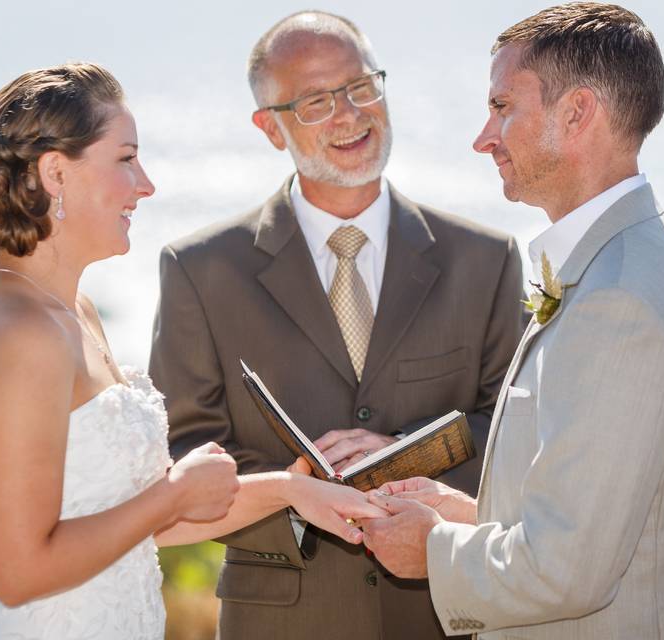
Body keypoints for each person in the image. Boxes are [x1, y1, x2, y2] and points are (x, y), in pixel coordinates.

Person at [0, 62, 384, 640]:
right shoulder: (20, 332)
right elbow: (18, 572)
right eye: (126, 159)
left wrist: (288, 490)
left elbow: (121, 526)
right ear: (56, 173)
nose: (146, 183)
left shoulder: (72, 311)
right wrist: (173, 494)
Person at [148, 11, 525, 640]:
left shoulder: (486, 260)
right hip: (280, 620)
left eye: (360, 86)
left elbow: (516, 435)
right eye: (317, 102)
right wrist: (297, 495)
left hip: (443, 615)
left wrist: (404, 457)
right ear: (270, 128)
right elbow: (181, 454)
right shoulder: (200, 270)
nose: (350, 115)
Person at [361, 4, 664, 638]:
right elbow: (610, 519)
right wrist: (475, 519)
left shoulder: (620, 301)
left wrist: (432, 549)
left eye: (503, 107)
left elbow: (569, 570)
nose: (484, 137)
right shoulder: (654, 257)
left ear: (577, 112)